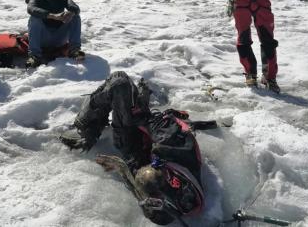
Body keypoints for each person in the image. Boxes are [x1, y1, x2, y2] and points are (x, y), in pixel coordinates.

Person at [59, 71, 207, 225]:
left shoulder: (173, 195)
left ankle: (86, 128)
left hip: (132, 144)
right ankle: (93, 122)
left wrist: (124, 165)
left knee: (119, 82)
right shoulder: (184, 185)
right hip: (146, 132)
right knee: (123, 85)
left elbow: (139, 176)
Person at [25, 0, 83, 68]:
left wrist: (71, 12)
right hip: (42, 38)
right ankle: (34, 56)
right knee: (35, 18)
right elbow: (31, 9)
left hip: (59, 37)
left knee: (75, 16)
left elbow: (75, 8)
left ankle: (74, 50)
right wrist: (52, 16)